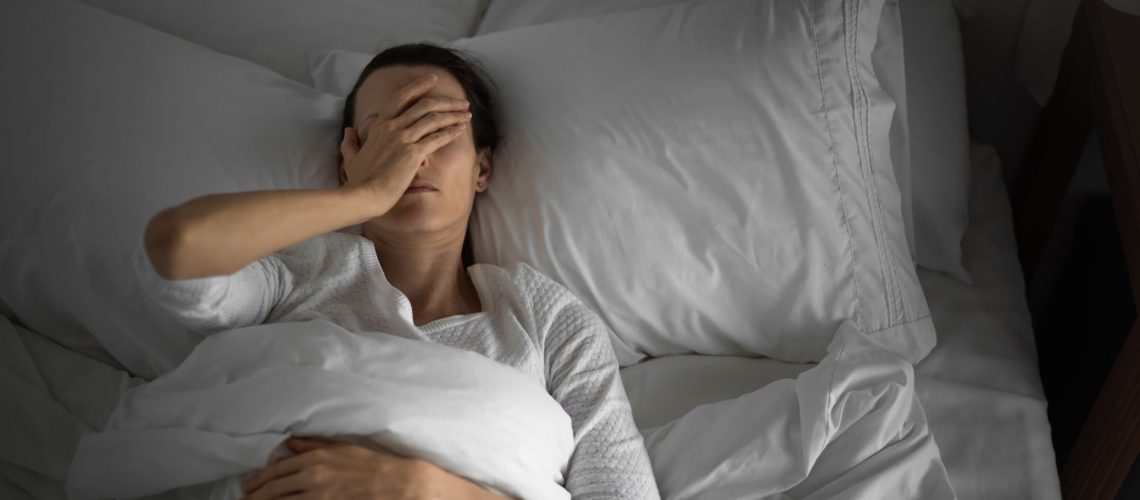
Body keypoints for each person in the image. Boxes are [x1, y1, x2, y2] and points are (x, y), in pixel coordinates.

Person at [138, 43, 660, 500]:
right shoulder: (296, 275)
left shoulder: (549, 322)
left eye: (437, 132)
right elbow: (178, 247)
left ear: (481, 168)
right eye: (386, 138)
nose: (414, 157)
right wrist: (366, 195)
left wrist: (426, 489)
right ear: (348, 163)